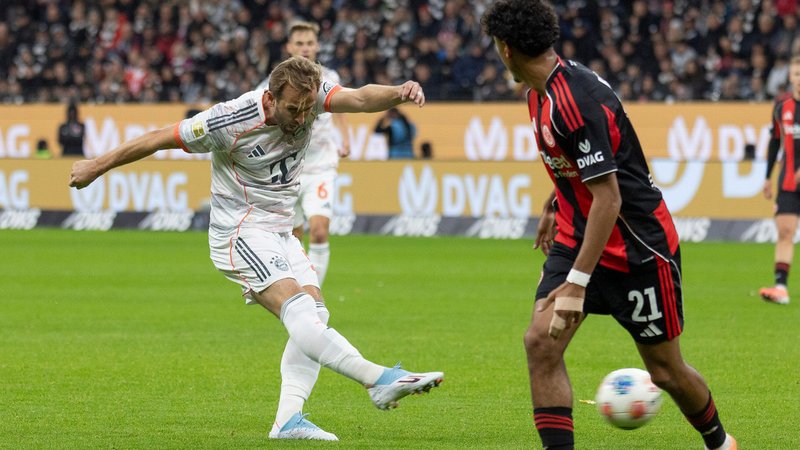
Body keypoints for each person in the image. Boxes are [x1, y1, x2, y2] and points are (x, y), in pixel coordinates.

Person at [69, 56, 443, 442]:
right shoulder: (226, 120)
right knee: (297, 310)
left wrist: (399, 92)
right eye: (293, 109)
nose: (301, 118)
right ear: (270, 98)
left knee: (315, 314)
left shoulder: (312, 99)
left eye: (306, 109)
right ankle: (378, 378)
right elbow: (158, 138)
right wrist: (97, 165)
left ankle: (288, 421)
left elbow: (363, 99)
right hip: (240, 229)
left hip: (281, 229)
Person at [481, 2, 736, 449]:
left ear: (506, 49)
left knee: (665, 370)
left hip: (638, 248)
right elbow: (580, 168)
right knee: (541, 342)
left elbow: (610, 196)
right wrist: (552, 204)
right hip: (578, 236)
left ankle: (719, 442)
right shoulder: (539, 93)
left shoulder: (572, 100)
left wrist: (577, 283)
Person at [256, 21, 350, 287]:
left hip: (321, 166)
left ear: (317, 46)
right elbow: (258, 118)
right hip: (288, 171)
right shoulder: (271, 84)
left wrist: (345, 138)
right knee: (294, 239)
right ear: (289, 47)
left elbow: (340, 106)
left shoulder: (329, 78)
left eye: (309, 43)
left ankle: (313, 299)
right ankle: (297, 293)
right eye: (299, 43)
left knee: (319, 231)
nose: (305, 48)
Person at [759, 56, 800, 305]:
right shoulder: (781, 108)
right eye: (796, 74)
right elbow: (775, 142)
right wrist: (767, 177)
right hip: (788, 181)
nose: (799, 78)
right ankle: (781, 287)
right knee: (785, 231)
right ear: (790, 77)